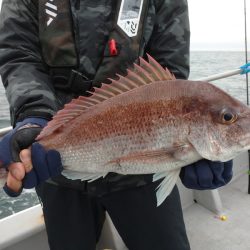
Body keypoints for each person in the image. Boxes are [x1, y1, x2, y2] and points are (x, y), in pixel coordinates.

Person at [0, 0, 233, 249]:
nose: (230, 121)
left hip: (144, 176)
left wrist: (197, 153)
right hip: (58, 168)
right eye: (228, 118)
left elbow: (170, 75)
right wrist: (34, 116)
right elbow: (20, 55)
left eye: (229, 118)